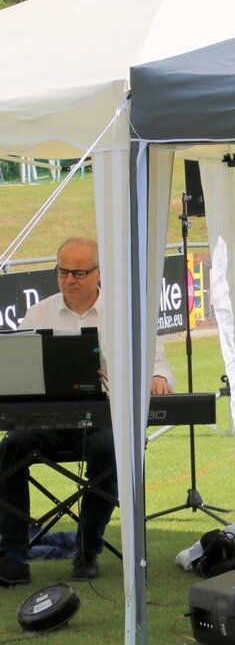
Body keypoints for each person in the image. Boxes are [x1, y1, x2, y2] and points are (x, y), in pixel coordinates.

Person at [0, 237, 175, 586]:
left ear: (98, 273)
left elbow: (158, 363)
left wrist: (157, 377)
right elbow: (17, 372)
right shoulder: (39, 313)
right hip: (48, 419)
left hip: (105, 419)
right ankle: (14, 555)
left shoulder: (126, 311)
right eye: (63, 271)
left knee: (111, 450)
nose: (69, 279)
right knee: (9, 450)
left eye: (79, 272)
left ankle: (87, 549)